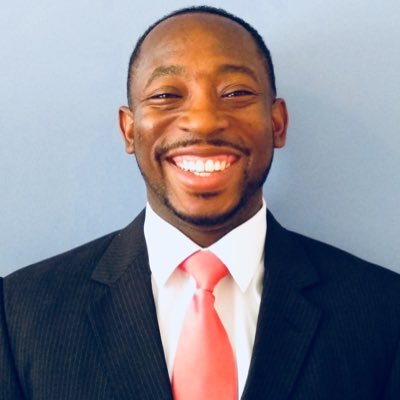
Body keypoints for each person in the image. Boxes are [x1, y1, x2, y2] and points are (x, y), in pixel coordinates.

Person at [1, 5, 400, 400]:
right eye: (166, 95)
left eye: (236, 92)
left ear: (277, 123)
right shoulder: (20, 315)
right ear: (129, 130)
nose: (204, 121)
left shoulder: (383, 312)